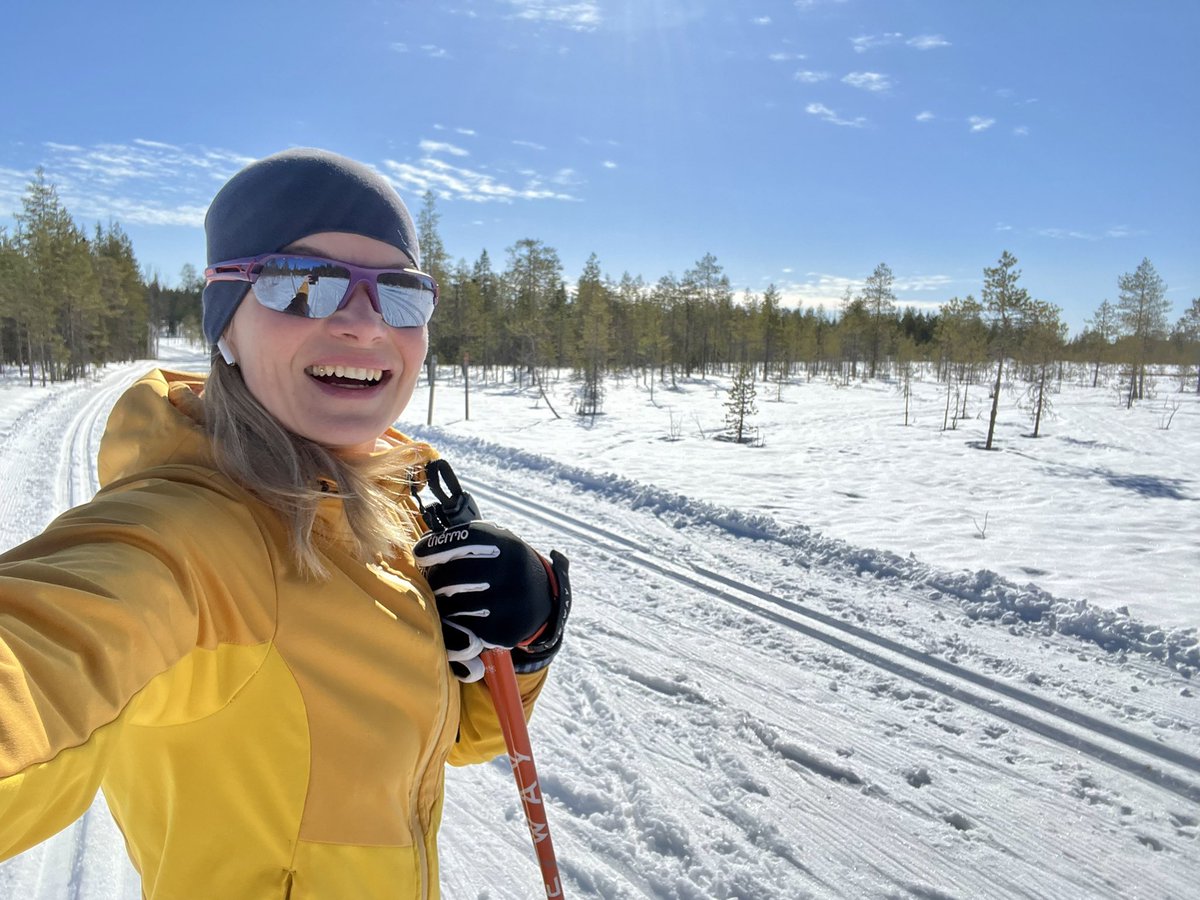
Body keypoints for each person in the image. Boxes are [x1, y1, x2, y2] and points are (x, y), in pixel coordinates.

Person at [0, 148, 571, 898]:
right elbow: (47, 650)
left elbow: (446, 742)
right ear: (224, 324)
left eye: (400, 293)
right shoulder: (189, 539)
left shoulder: (390, 499)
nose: (366, 325)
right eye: (303, 284)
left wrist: (520, 648)